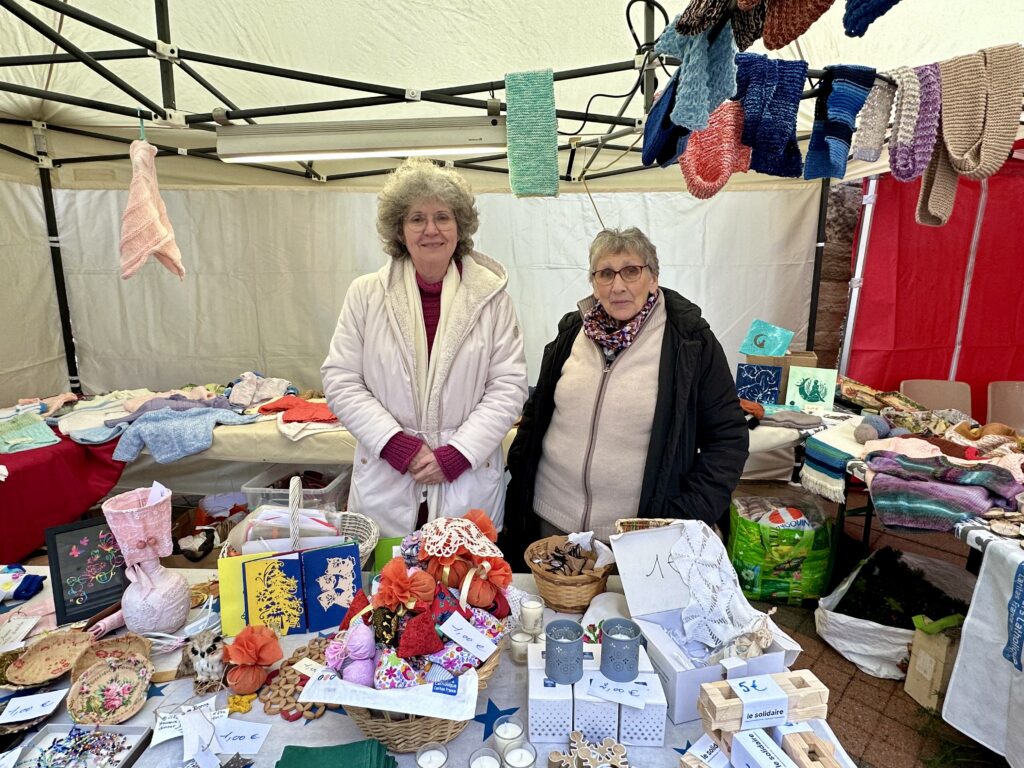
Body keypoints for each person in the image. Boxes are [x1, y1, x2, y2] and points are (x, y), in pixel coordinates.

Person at [322, 158, 528, 538]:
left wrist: (456, 455)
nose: (430, 229)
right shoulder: (366, 294)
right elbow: (341, 379)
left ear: (459, 226)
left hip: (465, 481)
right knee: (391, 587)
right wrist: (397, 445)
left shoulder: (493, 299)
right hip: (389, 477)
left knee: (463, 588)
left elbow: (508, 388)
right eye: (417, 218)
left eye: (442, 217)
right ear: (400, 230)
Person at [506, 227, 748, 546]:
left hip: (635, 538)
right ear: (593, 282)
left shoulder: (689, 343)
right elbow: (536, 417)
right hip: (550, 524)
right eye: (606, 273)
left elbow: (727, 439)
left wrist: (686, 513)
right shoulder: (569, 336)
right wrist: (520, 471)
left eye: (631, 271)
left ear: (653, 277)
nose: (618, 285)